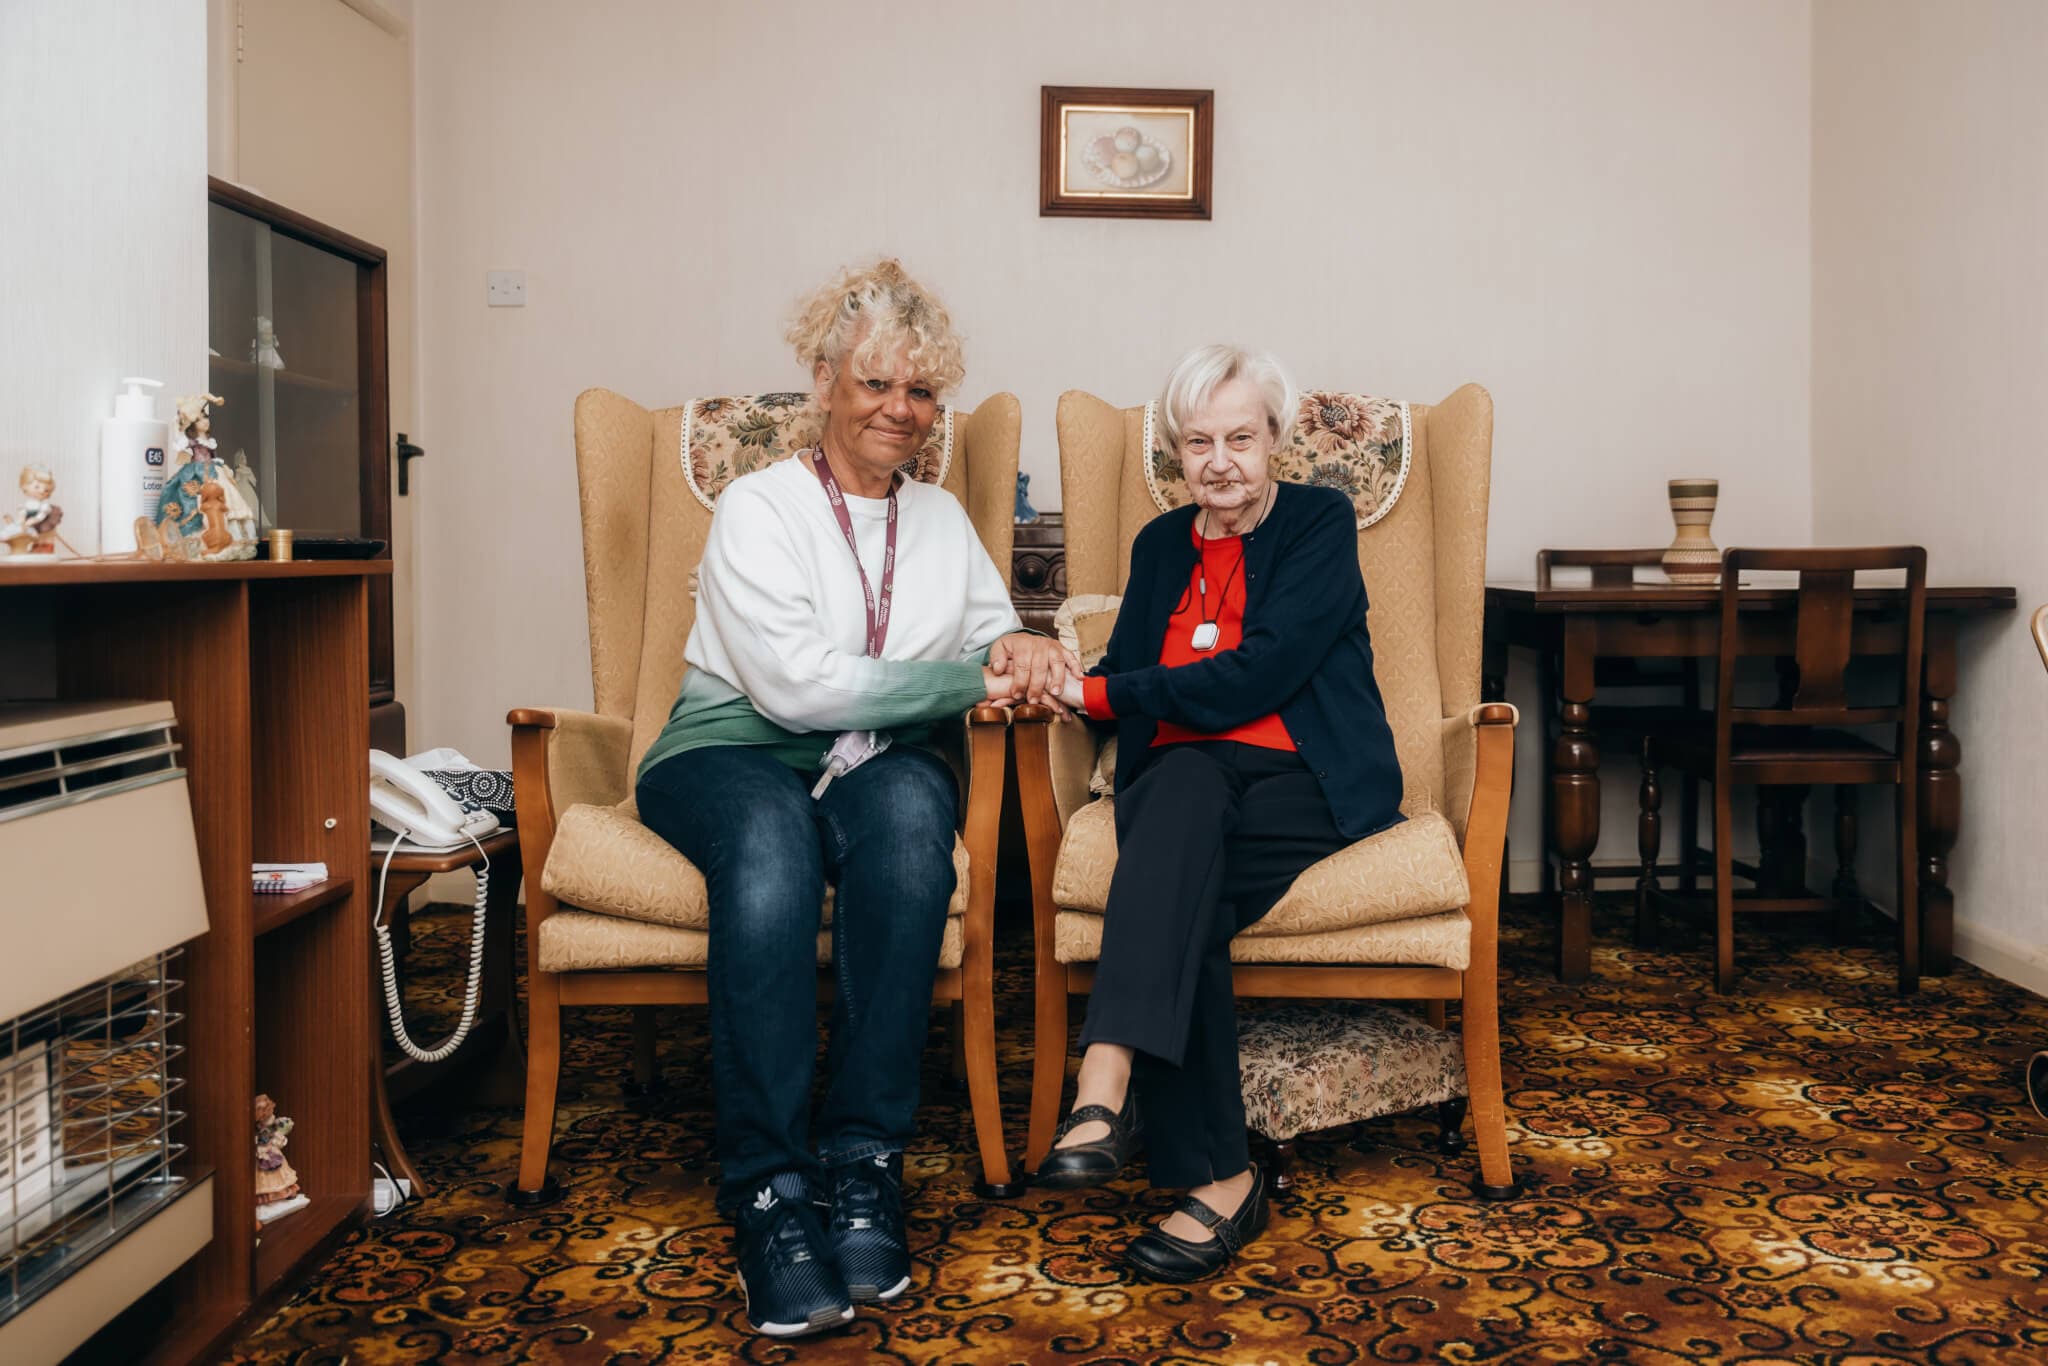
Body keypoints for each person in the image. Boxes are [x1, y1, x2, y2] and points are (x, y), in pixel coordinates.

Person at [634, 258, 1076, 1338]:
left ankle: (862, 1156)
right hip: (734, 748)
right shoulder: (758, 506)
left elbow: (991, 632)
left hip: (878, 757)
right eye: (876, 383)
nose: (898, 410)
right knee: (773, 841)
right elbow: (794, 686)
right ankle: (771, 1190)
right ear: (824, 381)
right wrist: (972, 680)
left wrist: (1016, 645)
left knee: (916, 827)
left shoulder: (935, 521)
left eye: (920, 393)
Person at [1040, 344, 1404, 1282]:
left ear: (1276, 440)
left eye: (1241, 437)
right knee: (1186, 824)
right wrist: (1056, 682)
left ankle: (1105, 1080)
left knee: (1175, 839)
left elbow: (1265, 671)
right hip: (1188, 790)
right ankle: (1225, 1186)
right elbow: (1126, 673)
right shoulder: (1160, 547)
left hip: (1304, 782)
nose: (1220, 461)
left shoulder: (1321, 523)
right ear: (1175, 454)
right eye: (1197, 441)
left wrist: (1103, 698)